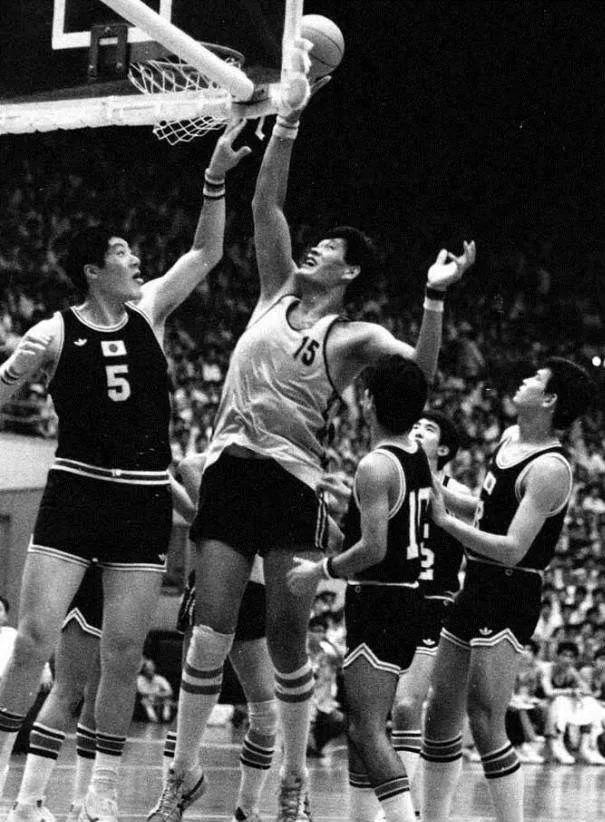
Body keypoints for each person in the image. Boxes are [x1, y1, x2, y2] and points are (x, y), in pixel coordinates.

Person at [147, 69, 476, 822]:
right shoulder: (275, 291)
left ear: (348, 271)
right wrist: (288, 121)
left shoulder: (352, 334)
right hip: (231, 470)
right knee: (208, 631)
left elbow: (417, 377)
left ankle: (294, 783)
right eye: (315, 242)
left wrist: (432, 296)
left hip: (293, 483)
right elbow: (266, 205)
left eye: (326, 249)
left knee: (288, 644)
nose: (313, 250)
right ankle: (182, 775)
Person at [0, 120, 251, 822]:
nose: (135, 258)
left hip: (141, 502)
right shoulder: (52, 330)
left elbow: (206, 250)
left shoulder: (151, 311)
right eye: (120, 251)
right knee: (33, 641)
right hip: (75, 492)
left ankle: (100, 798)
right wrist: (14, 371)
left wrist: (214, 178)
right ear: (91, 270)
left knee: (123, 653)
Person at [421, 357, 596, 822]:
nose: (523, 380)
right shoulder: (510, 438)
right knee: (440, 713)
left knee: (484, 718)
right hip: (476, 583)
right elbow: (485, 510)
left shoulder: (551, 468)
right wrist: (438, 488)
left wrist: (444, 522)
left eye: (535, 379)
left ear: (550, 399)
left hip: (510, 588)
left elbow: (514, 549)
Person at [288, 353, 431, 822]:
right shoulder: (415, 456)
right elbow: (394, 513)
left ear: (368, 401)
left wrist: (320, 570)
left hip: (381, 599)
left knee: (368, 729)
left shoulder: (375, 466)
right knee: (361, 729)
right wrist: (350, 499)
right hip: (405, 596)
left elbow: (373, 548)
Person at [389, 411, 467, 811]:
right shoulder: (393, 479)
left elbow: (486, 532)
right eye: (415, 424)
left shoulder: (458, 492)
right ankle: (408, 808)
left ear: (446, 449)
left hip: (435, 604)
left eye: (430, 428)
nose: (418, 429)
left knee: (407, 707)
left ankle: (402, 810)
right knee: (382, 713)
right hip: (392, 601)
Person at [137, 659, 174, 724]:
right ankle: (153, 720)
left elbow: (170, 692)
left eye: (151, 667)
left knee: (168, 701)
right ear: (144, 669)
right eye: (148, 668)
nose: (150, 670)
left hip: (159, 700)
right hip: (145, 702)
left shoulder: (160, 679)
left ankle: (166, 719)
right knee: (145, 701)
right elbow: (140, 692)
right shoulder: (139, 679)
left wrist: (159, 694)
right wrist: (149, 695)